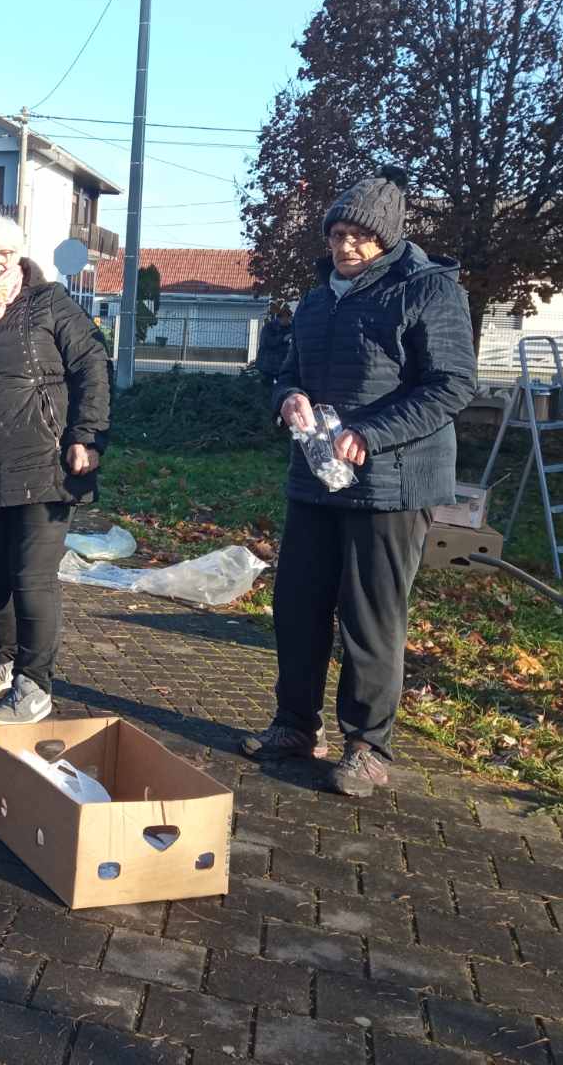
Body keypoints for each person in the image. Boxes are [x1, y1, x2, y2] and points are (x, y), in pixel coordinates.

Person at [242, 165, 476, 796]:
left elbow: (453, 385)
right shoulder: (319, 298)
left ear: (388, 241)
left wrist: (371, 434)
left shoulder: (429, 291)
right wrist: (287, 397)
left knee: (370, 619)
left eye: (360, 237)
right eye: (337, 234)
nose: (345, 247)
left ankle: (368, 745)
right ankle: (295, 725)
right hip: (316, 477)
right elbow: (286, 368)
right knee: (297, 607)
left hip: (393, 485)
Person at [0, 214, 111, 724]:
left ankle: (35, 684)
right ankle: (3, 660)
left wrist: (86, 436)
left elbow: (92, 367)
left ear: (16, 256)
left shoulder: (49, 303)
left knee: (32, 578)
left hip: (43, 462)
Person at [253, 301, 293, 384]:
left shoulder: (290, 327)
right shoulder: (269, 327)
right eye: (287, 318)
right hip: (267, 365)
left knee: (283, 386)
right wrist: (283, 339)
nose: (288, 320)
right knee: (266, 387)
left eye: (289, 318)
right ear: (281, 318)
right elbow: (267, 342)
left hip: (281, 365)